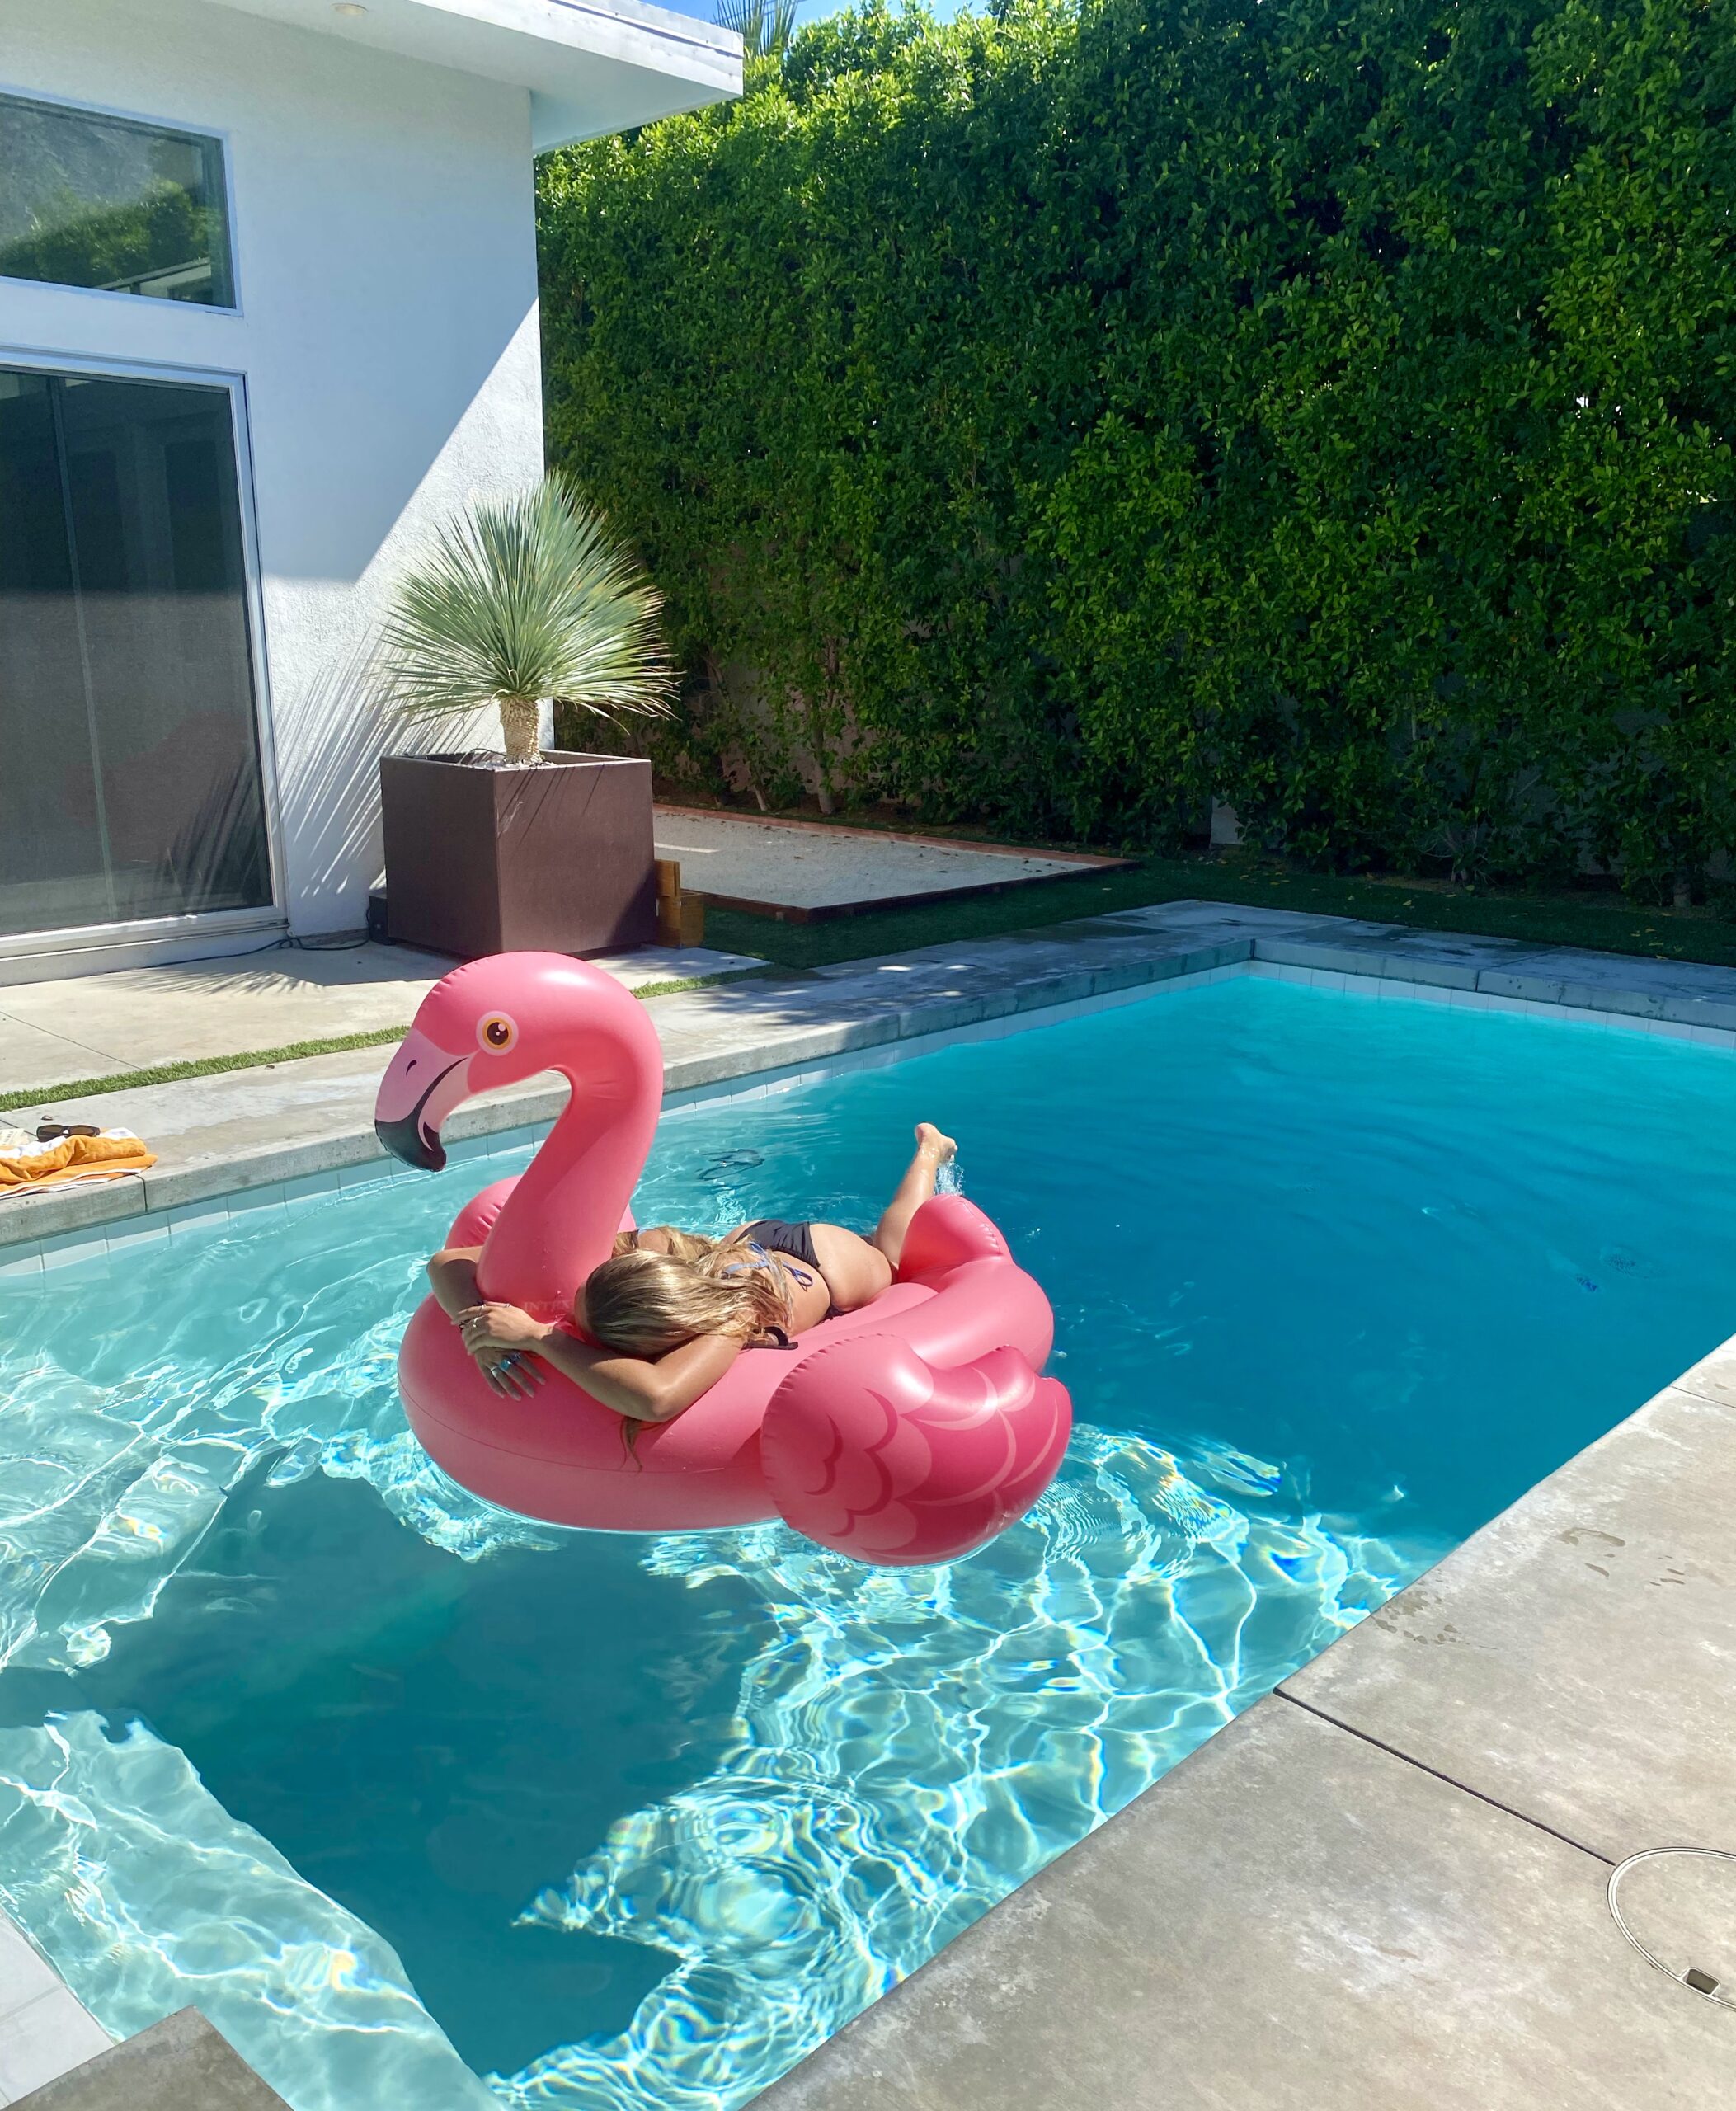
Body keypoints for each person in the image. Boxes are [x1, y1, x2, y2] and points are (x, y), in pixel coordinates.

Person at [426, 1122, 957, 1431]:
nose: (570, 1325)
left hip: (822, 1264)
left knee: (893, 1257)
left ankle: (930, 1150)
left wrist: (539, 1338)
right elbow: (446, 1263)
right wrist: (476, 1331)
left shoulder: (730, 1319)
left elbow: (657, 1399)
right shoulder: (650, 1251)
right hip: (744, 1246)